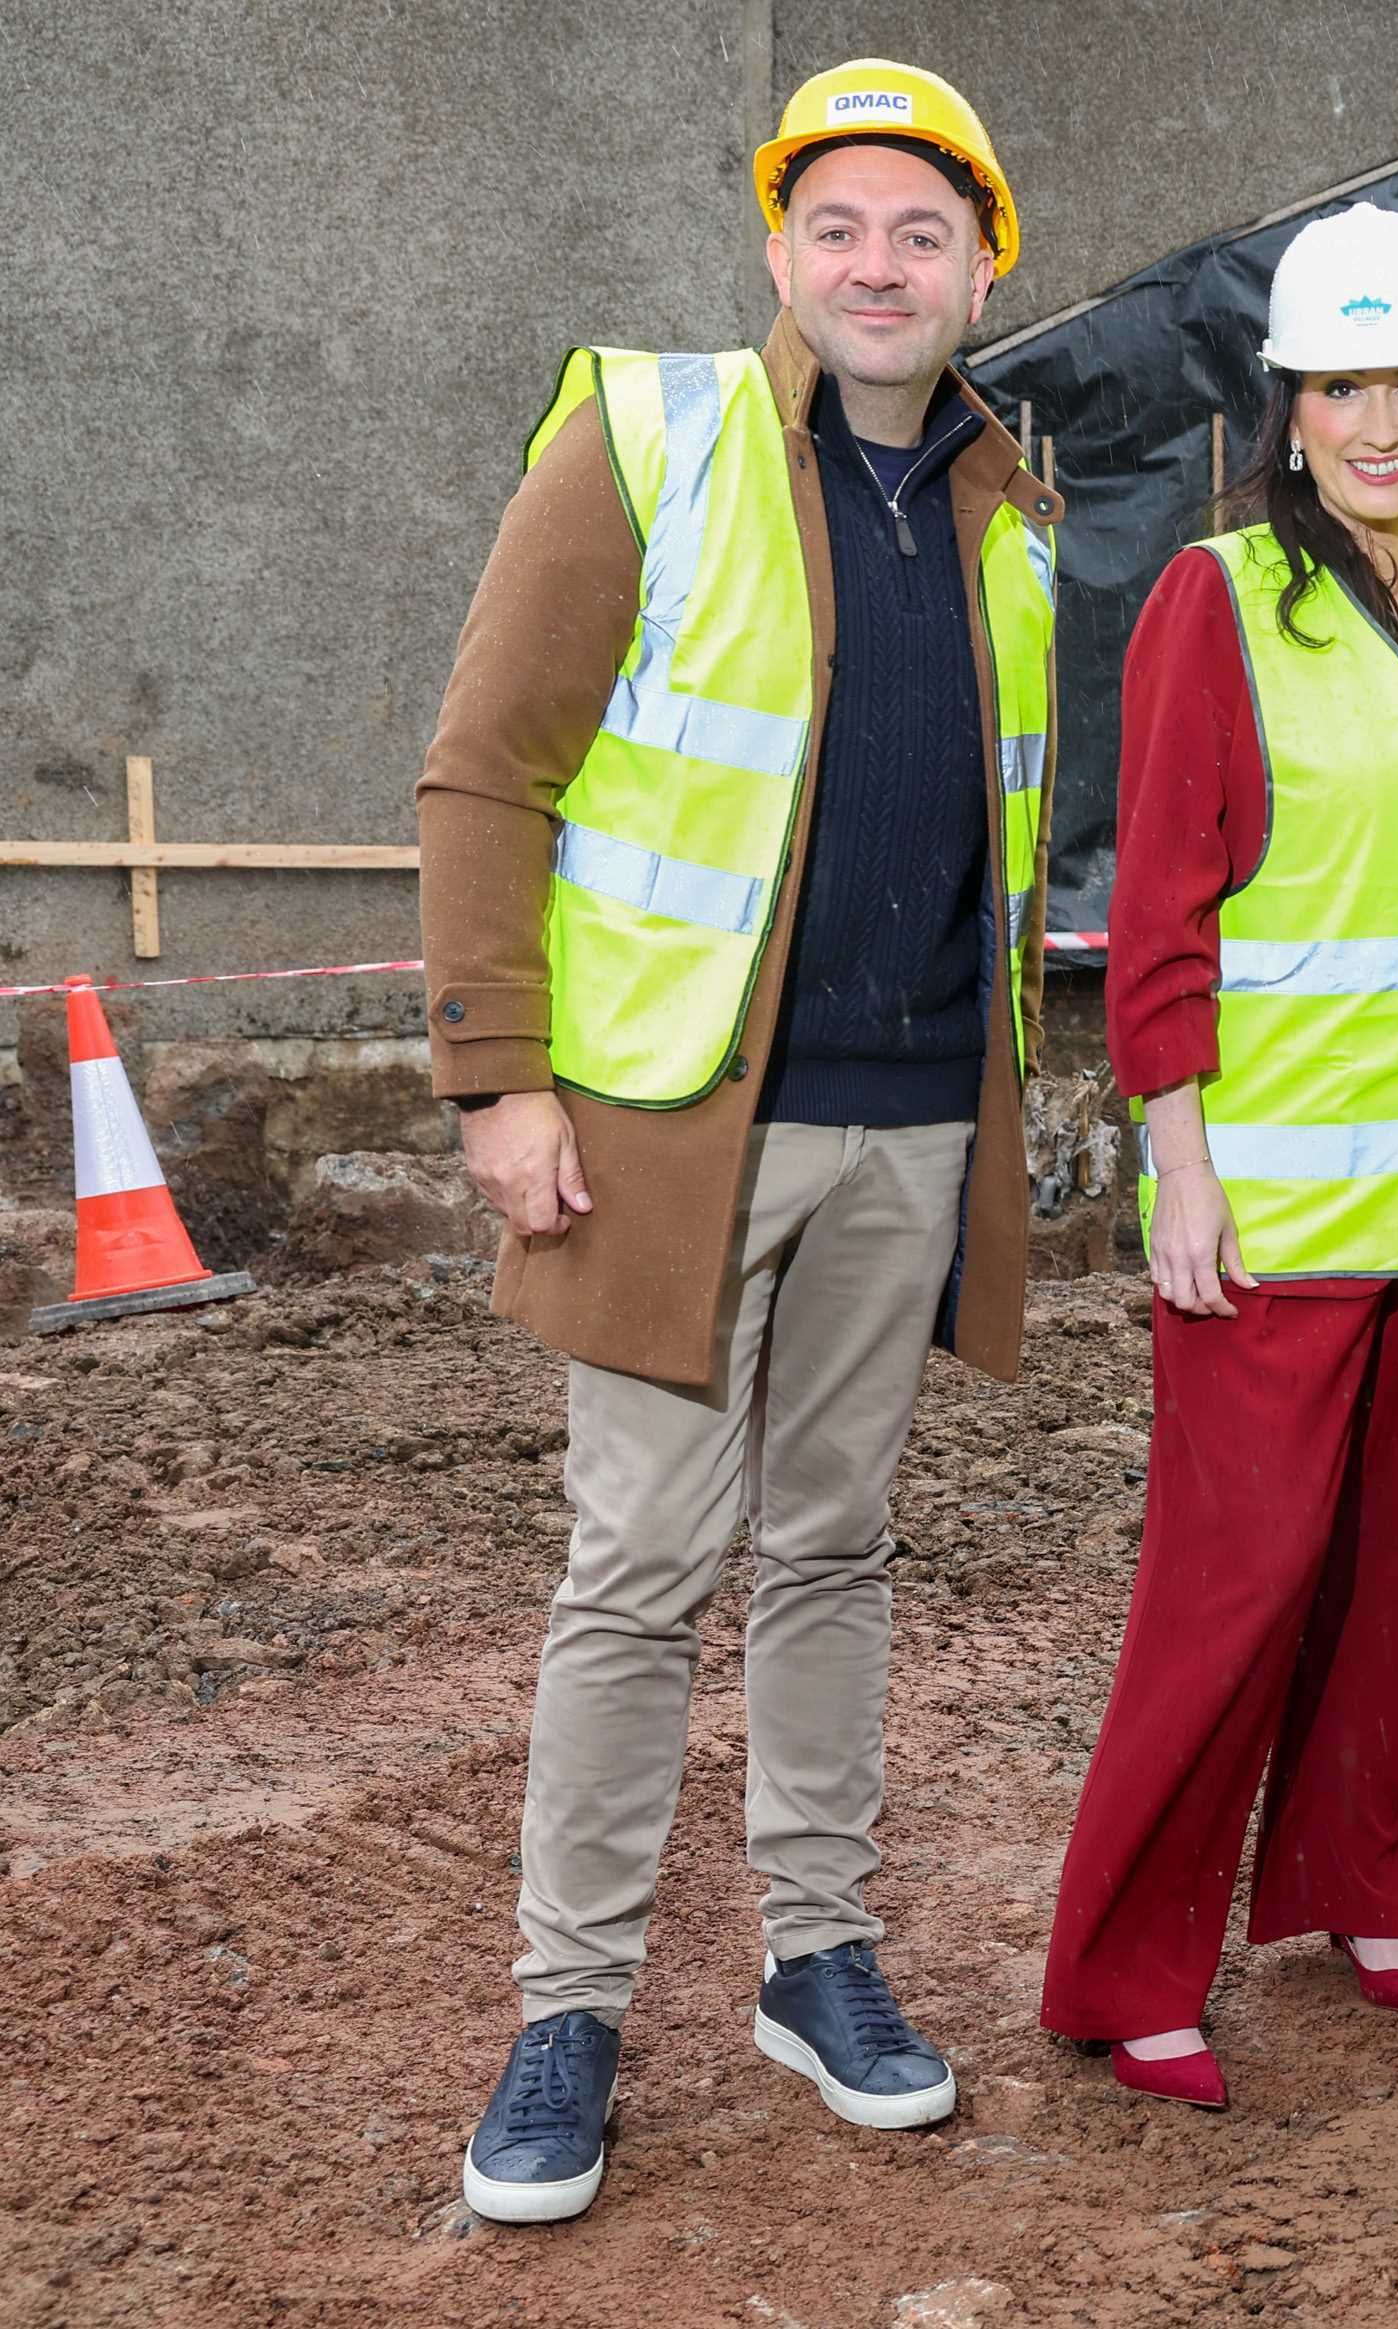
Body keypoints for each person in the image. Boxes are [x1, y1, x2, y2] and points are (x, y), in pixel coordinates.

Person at [416, 59, 1060, 2223]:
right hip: (668, 1133)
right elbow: (486, 770)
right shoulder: (652, 437)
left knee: (837, 1547)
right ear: (781, 249)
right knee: (635, 1569)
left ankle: (815, 1957)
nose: (881, 267)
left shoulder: (1011, 512)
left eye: (923, 233)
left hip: (904, 1128)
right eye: (841, 227)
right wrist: (499, 1076)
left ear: (982, 266)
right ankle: (566, 2011)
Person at [1035, 203, 1398, 2111]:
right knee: (1237, 1576)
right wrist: (1176, 1167)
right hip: (1275, 1192)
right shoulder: (1220, 598)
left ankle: (1373, 1882)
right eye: (1343, 383)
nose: (1381, 419)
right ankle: (1128, 1966)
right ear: (1291, 404)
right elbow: (1161, 913)